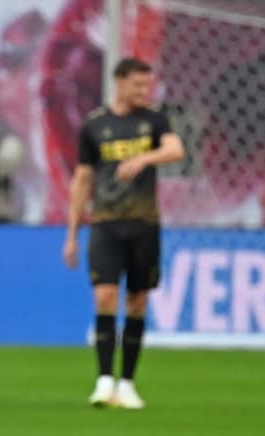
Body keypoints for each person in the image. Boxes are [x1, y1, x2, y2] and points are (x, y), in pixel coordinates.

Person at [62, 57, 184, 410]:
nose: (144, 91)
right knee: (104, 297)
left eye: (147, 85)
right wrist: (72, 233)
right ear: (120, 82)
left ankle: (127, 383)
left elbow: (176, 149)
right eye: (138, 85)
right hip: (105, 223)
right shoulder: (95, 125)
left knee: (137, 301)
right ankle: (104, 381)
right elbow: (82, 179)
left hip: (144, 224)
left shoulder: (155, 120)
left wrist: (144, 159)